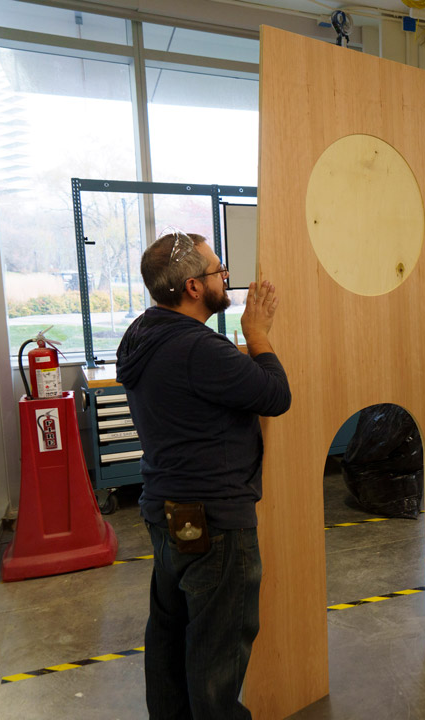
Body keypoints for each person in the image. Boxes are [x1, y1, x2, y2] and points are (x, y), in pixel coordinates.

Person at [116, 230, 292, 719]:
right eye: (218, 271)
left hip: (167, 511)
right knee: (217, 655)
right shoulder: (199, 349)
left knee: (171, 639)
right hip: (215, 521)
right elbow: (276, 396)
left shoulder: (142, 335)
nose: (225, 277)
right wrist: (257, 334)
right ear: (194, 287)